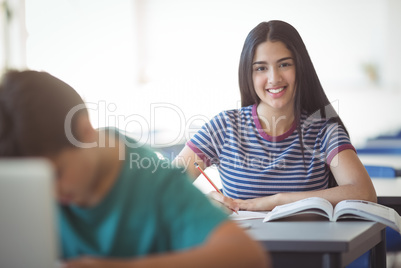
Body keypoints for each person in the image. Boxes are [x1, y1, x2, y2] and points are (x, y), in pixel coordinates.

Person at [0, 70, 269, 268]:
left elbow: (249, 256)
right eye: (30, 182)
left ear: (84, 132)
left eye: (56, 174)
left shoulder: (154, 180)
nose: (48, 194)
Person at [173, 20, 377, 213]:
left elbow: (364, 192)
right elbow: (163, 190)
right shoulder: (224, 126)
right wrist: (203, 204)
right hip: (242, 248)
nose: (274, 78)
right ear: (249, 75)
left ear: (300, 68)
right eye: (261, 68)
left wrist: (275, 200)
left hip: (308, 248)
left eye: (284, 64)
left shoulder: (324, 130)